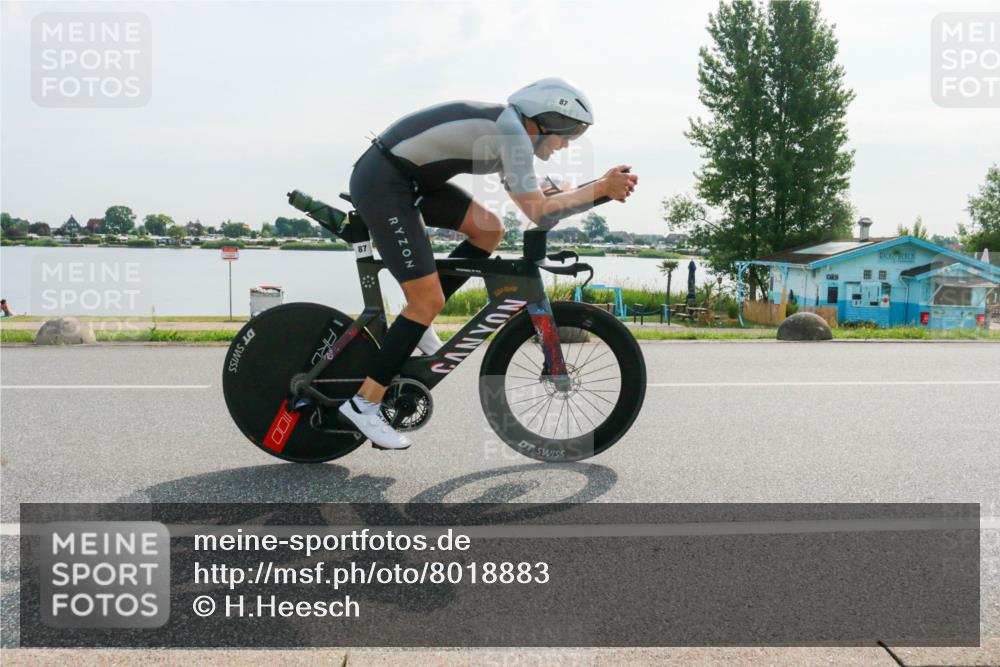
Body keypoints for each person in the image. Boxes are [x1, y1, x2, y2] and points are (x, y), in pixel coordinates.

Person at [339, 78, 638, 450]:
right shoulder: (511, 133)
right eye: (566, 136)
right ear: (547, 122)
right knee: (425, 299)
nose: (564, 146)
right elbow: (539, 211)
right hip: (385, 183)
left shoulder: (510, 132)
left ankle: (418, 327)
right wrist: (600, 189)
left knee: (488, 231)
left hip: (408, 180)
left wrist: (599, 188)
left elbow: (542, 207)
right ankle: (364, 403)